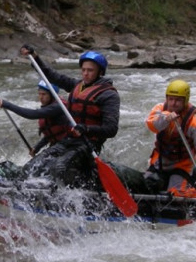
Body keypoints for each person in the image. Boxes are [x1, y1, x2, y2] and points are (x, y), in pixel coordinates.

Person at [19, 45, 120, 187]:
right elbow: (50, 75)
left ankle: (70, 199)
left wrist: (86, 128)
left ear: (100, 72)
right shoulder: (76, 85)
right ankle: (25, 190)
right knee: (35, 164)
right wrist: (35, 57)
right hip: (69, 141)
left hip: (88, 145)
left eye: (90, 70)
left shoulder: (109, 95)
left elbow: (111, 129)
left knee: (59, 167)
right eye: (83, 70)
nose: (85, 74)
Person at [144, 79, 196, 197]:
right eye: (171, 99)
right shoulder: (159, 109)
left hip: (181, 166)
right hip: (159, 162)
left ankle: (195, 192)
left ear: (185, 101)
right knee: (145, 186)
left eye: (178, 100)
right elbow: (152, 125)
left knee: (175, 194)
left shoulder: (194, 121)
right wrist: (166, 119)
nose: (173, 103)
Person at [0, 81, 70, 157]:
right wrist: (36, 148)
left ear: (52, 95)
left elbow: (32, 114)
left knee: (37, 166)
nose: (41, 97)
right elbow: (51, 135)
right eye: (39, 94)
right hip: (57, 145)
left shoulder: (57, 107)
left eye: (44, 94)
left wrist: (7, 105)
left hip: (68, 145)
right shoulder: (49, 107)